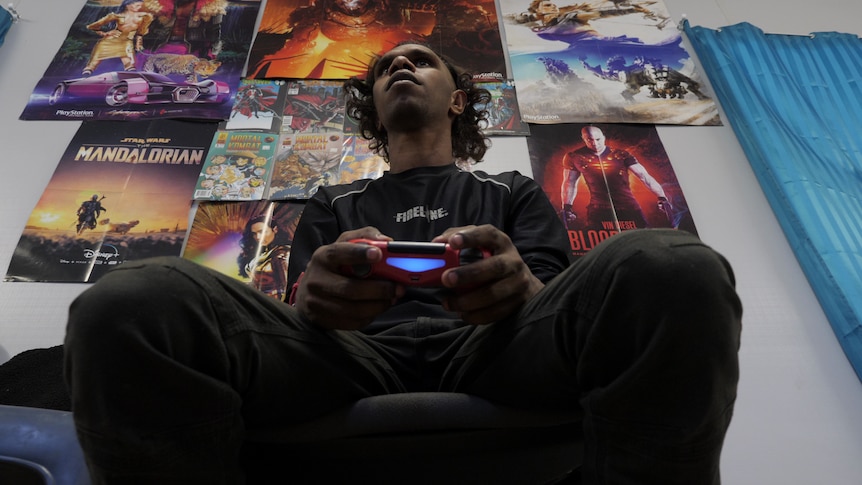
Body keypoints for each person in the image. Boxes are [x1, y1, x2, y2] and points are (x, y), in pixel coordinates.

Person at [64, 42, 742, 484]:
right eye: (386, 68)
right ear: (376, 115)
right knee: (129, 300)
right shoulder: (333, 200)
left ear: (455, 98)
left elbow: (562, 304)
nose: (398, 68)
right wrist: (311, 302)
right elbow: (297, 312)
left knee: (673, 266)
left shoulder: (513, 191)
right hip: (349, 358)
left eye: (419, 60)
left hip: (498, 347)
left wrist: (523, 285)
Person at [559, 125, 673, 230]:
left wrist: (662, 197)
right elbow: (570, 183)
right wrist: (567, 207)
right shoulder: (574, 156)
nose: (595, 143)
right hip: (598, 209)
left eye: (598, 139)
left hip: (629, 206)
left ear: (603, 137)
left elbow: (644, 177)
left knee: (640, 239)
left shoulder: (621, 154)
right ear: (583, 138)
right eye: (590, 140)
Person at [82, 0, 153, 76]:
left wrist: (139, 44)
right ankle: (86, 75)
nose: (139, 8)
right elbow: (93, 26)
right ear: (128, 6)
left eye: (140, 6)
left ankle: (130, 80)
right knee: (93, 63)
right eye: (137, 5)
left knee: (130, 64)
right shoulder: (116, 16)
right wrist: (105, 33)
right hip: (109, 41)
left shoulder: (145, 17)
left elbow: (140, 32)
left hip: (126, 42)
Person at [237, 213, 291, 301]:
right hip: (259, 302)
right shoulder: (263, 253)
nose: (258, 237)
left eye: (262, 232)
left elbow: (286, 287)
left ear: (275, 229)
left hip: (275, 304)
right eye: (254, 233)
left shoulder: (282, 254)